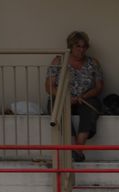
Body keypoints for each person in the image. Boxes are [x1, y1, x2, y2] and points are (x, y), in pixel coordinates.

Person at [45, 31, 104, 163]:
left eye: (84, 46)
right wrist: (66, 98)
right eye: (78, 46)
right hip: (63, 97)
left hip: (85, 98)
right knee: (58, 107)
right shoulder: (59, 61)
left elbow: (99, 87)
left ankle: (77, 150)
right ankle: (72, 146)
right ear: (71, 47)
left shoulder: (93, 62)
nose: (81, 49)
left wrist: (84, 96)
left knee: (92, 107)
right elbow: (49, 86)